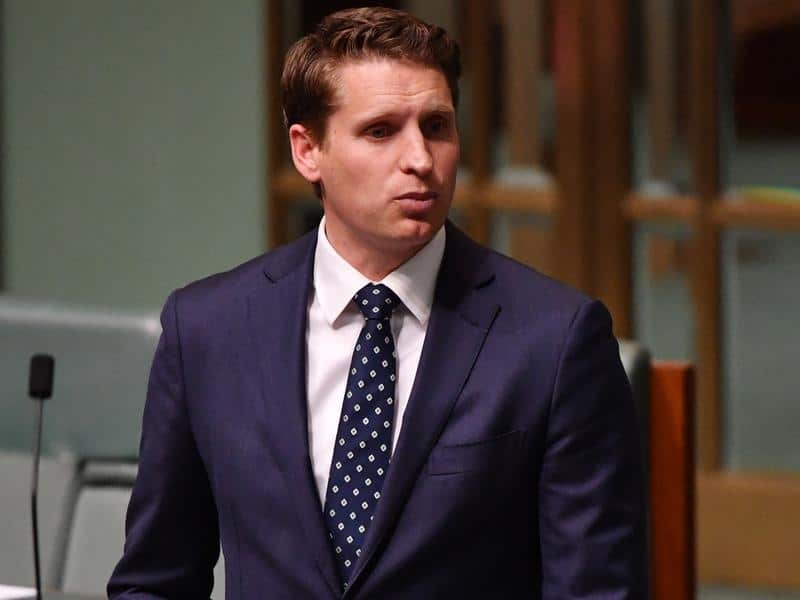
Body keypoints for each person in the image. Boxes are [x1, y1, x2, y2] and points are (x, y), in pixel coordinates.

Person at [108, 7, 647, 599]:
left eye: (437, 126)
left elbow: (595, 591)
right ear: (308, 149)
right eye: (382, 130)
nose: (420, 159)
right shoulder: (207, 329)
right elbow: (156, 581)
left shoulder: (555, 340)